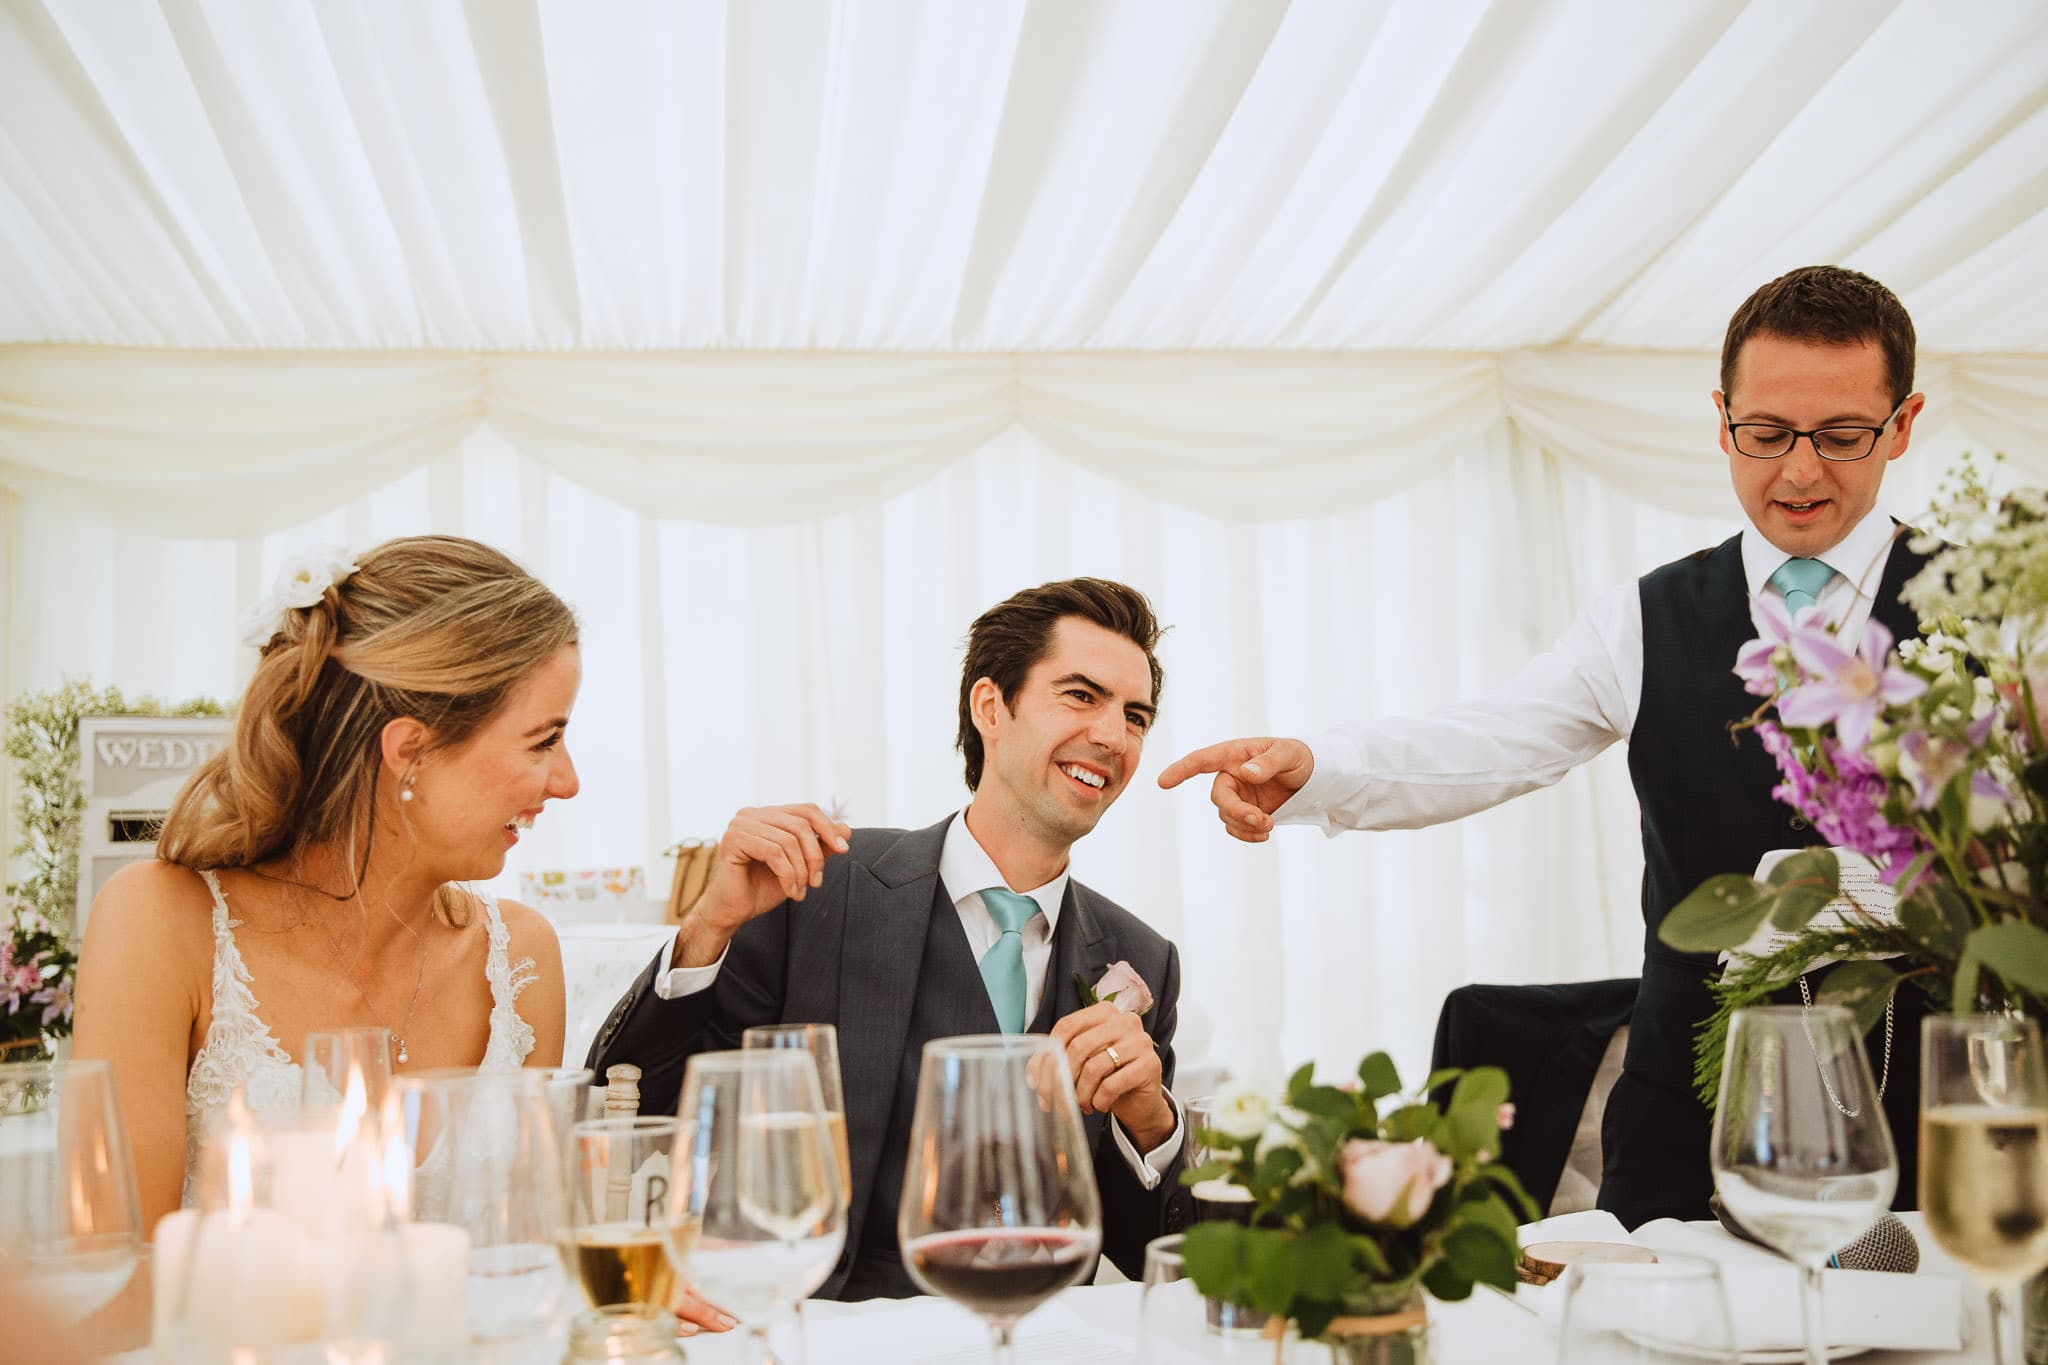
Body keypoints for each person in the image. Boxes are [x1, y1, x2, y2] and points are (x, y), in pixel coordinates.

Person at [1159, 265, 1932, 1226]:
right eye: (1765, 434)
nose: (1800, 470)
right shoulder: (1645, 620)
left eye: (1843, 436)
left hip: (1930, 1111)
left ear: (1901, 425)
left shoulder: (1994, 607)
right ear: (1722, 416)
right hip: (1684, 1122)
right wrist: (1317, 769)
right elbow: (1489, 740)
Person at [588, 577, 1190, 1301]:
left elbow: (1150, 1252)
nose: (1113, 736)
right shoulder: (815, 888)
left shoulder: (1142, 956)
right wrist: (707, 928)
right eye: (1081, 695)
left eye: (1135, 715)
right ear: (990, 706)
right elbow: (630, 1116)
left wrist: (1153, 1123)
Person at [72, 535, 577, 1232]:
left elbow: (529, 1256)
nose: (567, 781)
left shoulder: (521, 960)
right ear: (411, 752)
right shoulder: (161, 923)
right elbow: (112, 1277)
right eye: (544, 740)